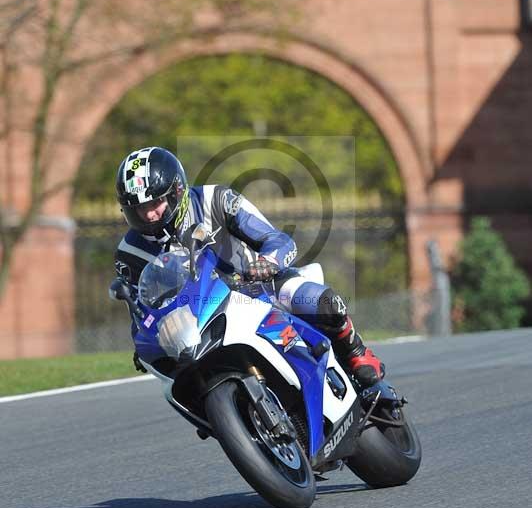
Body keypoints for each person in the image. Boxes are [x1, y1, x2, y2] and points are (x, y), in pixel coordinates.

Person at [114, 146, 384, 388]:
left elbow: (278, 240)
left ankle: (356, 353)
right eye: (139, 208)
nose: (149, 215)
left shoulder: (216, 199)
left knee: (318, 300)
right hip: (198, 319)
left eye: (155, 203)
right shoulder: (129, 253)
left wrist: (268, 263)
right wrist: (147, 341)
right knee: (177, 382)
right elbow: (140, 315)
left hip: (258, 287)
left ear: (177, 191)